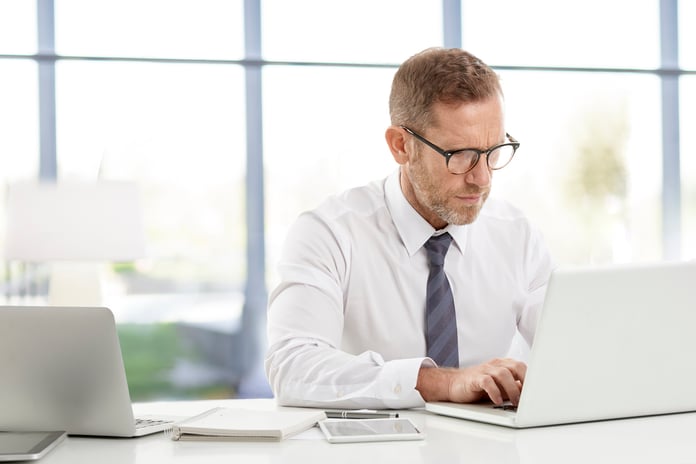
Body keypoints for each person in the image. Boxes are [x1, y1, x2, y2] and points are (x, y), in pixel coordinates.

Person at [265, 47, 554, 410]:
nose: (481, 178)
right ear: (401, 146)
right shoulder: (330, 233)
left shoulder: (517, 236)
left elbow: (575, 349)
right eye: (459, 155)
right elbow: (291, 366)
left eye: (493, 151)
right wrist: (439, 382)